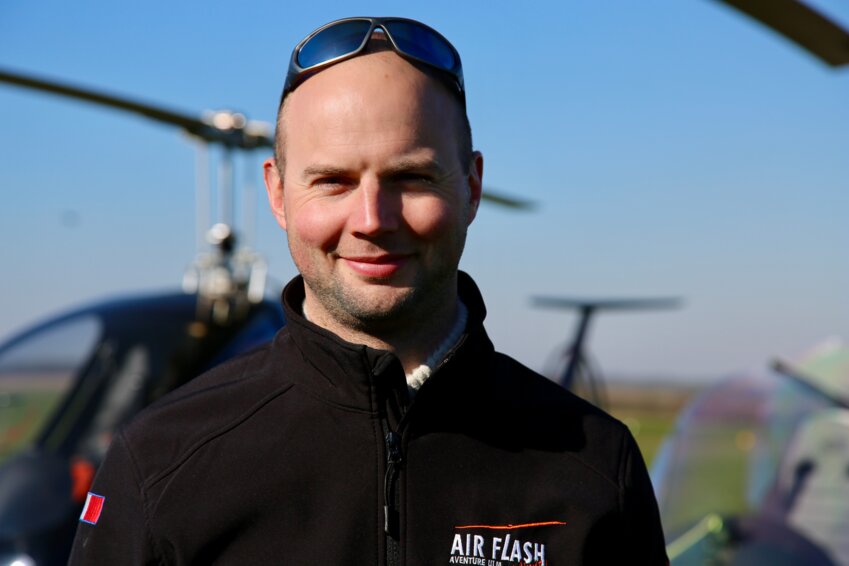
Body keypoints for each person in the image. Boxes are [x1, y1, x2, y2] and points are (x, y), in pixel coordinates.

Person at [69, 17, 668, 565]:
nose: (372, 219)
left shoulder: (593, 466)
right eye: (332, 181)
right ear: (277, 194)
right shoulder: (161, 463)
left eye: (411, 177)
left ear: (473, 186)